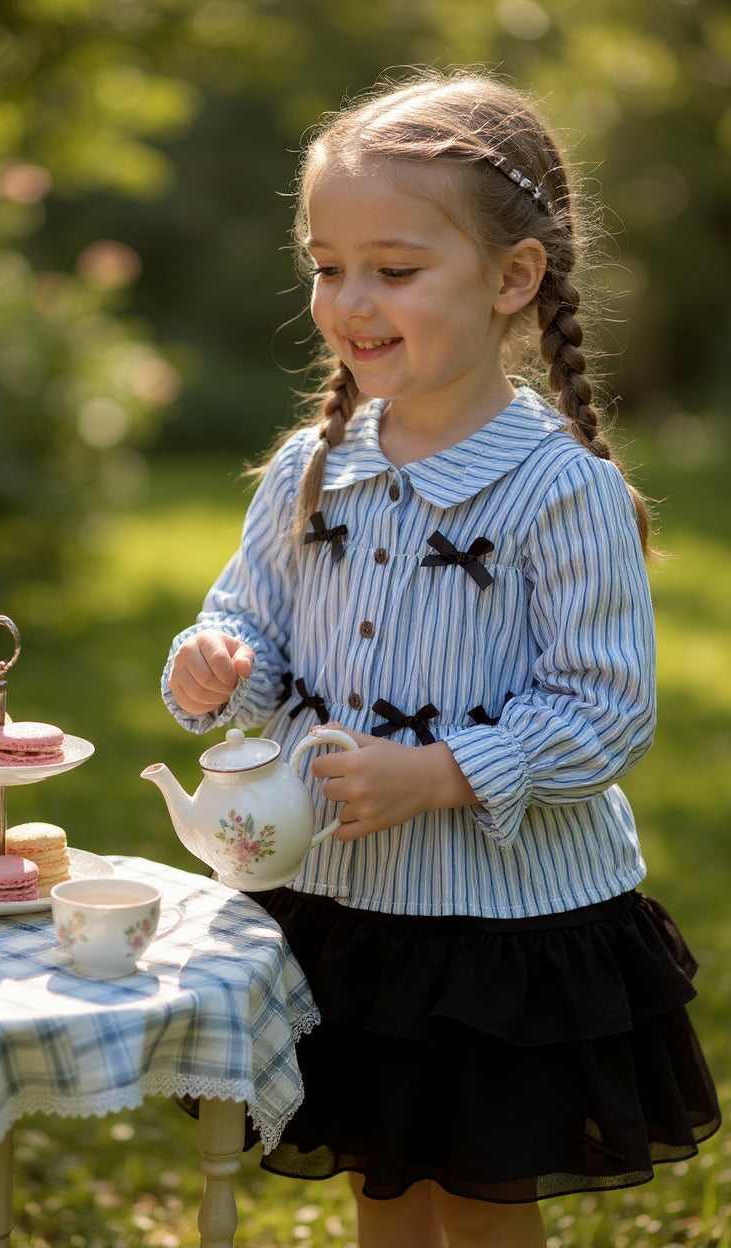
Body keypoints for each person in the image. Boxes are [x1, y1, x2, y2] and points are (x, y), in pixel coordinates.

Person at [162, 67, 720, 1248]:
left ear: (513, 277)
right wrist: (219, 663)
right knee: (382, 1180)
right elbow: (252, 627)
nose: (347, 299)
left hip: (495, 929)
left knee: (477, 1197)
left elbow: (603, 709)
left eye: (394, 269)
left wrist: (440, 774)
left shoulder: (560, 490)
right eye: (326, 265)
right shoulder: (309, 470)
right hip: (340, 908)